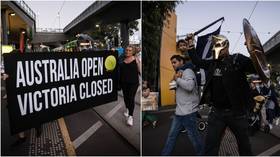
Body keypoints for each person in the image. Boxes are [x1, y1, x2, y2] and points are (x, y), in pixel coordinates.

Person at [186, 33, 254, 155]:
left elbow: (256, 67)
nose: (214, 48)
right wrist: (191, 45)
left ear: (226, 46)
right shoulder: (213, 63)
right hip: (217, 113)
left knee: (244, 146)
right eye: (213, 45)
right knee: (210, 145)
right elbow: (197, 61)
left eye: (217, 45)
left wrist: (253, 51)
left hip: (237, 113)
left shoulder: (237, 59)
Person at [161, 55, 203, 155]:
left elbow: (190, 86)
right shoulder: (178, 73)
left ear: (181, 62)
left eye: (174, 62)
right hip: (179, 112)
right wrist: (174, 80)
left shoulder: (188, 71)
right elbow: (173, 87)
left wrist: (177, 79)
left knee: (194, 138)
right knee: (172, 136)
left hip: (188, 112)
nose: (173, 64)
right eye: (172, 63)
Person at [119, 45, 141, 126]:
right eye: (127, 50)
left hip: (133, 83)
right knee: (126, 97)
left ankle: (130, 116)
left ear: (133, 52)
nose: (127, 52)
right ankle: (128, 109)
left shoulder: (136, 59)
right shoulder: (122, 59)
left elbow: (140, 71)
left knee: (131, 98)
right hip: (124, 82)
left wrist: (138, 62)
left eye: (130, 50)